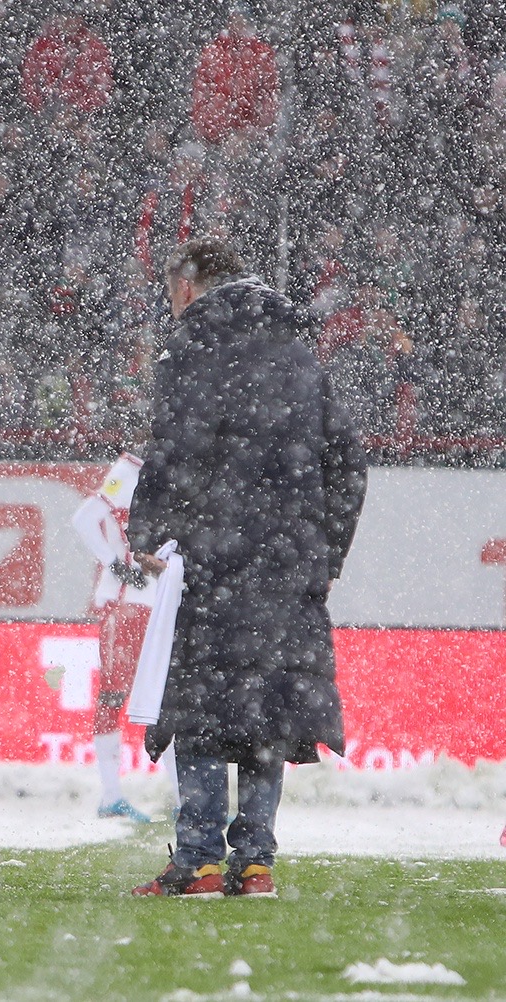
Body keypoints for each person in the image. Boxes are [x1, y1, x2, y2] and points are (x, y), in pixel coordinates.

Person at [128, 237, 366, 898]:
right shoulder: (300, 359)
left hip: (221, 554)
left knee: (202, 706)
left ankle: (199, 859)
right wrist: (327, 549)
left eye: (174, 288)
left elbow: (177, 445)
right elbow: (348, 462)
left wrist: (148, 528)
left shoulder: (196, 351)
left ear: (192, 285)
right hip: (290, 567)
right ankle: (255, 861)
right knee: (269, 709)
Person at [70, 450, 172, 824]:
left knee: (169, 700)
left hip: (161, 603)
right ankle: (111, 794)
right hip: (127, 604)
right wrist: (114, 563)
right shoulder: (128, 472)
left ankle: (181, 798)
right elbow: (83, 519)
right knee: (115, 695)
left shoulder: (180, 470)